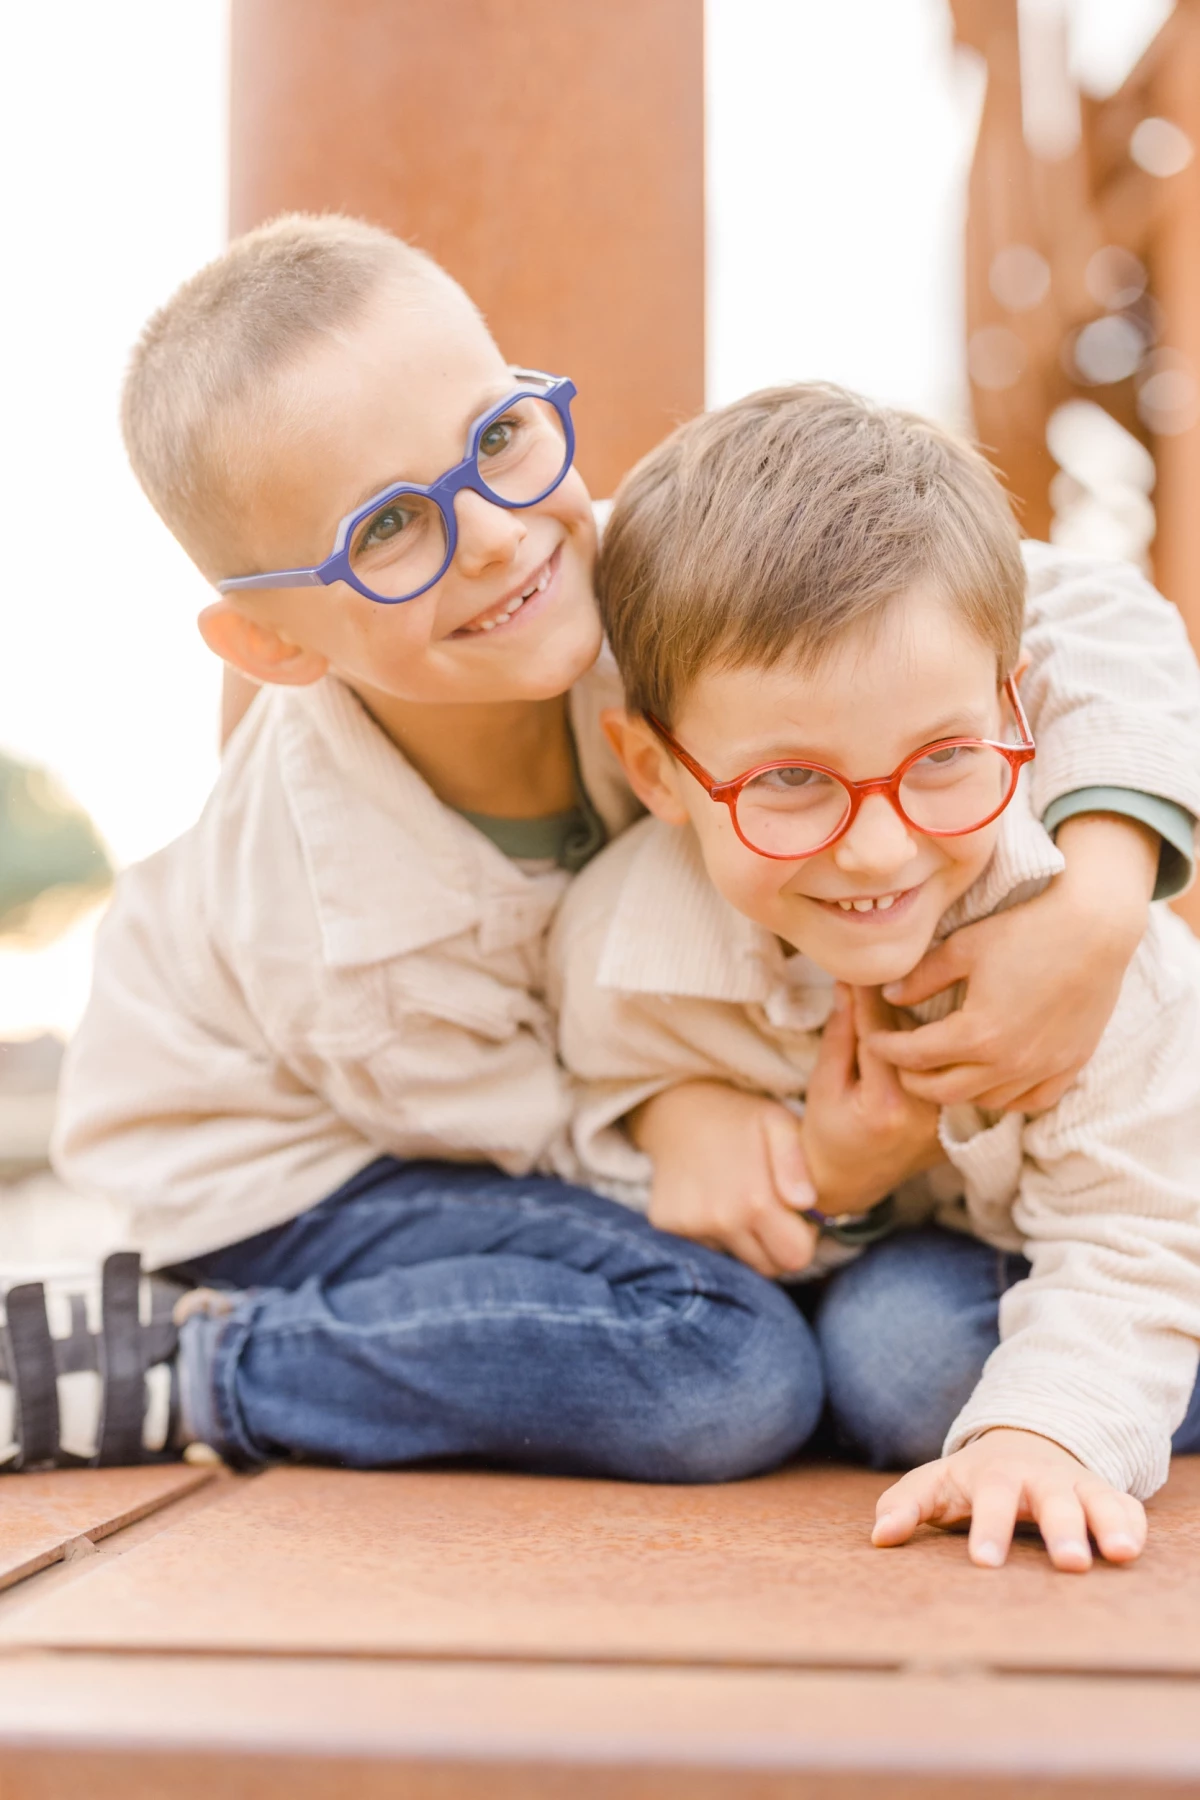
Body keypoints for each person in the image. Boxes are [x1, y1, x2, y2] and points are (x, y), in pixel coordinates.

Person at [10, 212, 1196, 1478]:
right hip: (317, 1170)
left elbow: (1078, 608)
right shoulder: (335, 920)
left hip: (670, 1121)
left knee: (882, 1347)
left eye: (497, 438)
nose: (495, 535)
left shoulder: (648, 575)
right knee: (721, 1368)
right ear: (279, 648)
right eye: (386, 530)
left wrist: (1102, 893)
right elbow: (548, 1143)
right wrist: (696, 1130)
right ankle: (191, 1361)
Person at [551, 382, 1200, 1570]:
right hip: (970, 1246)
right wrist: (717, 1135)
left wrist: (1043, 1437)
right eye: (790, 781)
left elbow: (1143, 1231)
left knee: (914, 1376)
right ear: (655, 771)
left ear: (1016, 706)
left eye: (945, 758)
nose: (880, 848)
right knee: (892, 1353)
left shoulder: (1089, 959)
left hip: (1169, 1218)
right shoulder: (618, 953)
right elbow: (593, 1121)